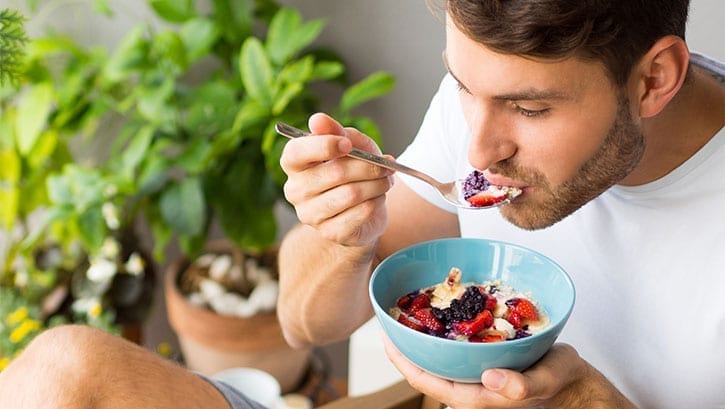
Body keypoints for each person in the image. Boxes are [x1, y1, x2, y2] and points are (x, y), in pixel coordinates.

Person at [276, 0, 724, 408]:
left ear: (654, 79)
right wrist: (347, 237)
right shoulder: (487, 98)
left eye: (530, 109)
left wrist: (580, 401)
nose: (478, 153)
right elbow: (304, 326)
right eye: (463, 86)